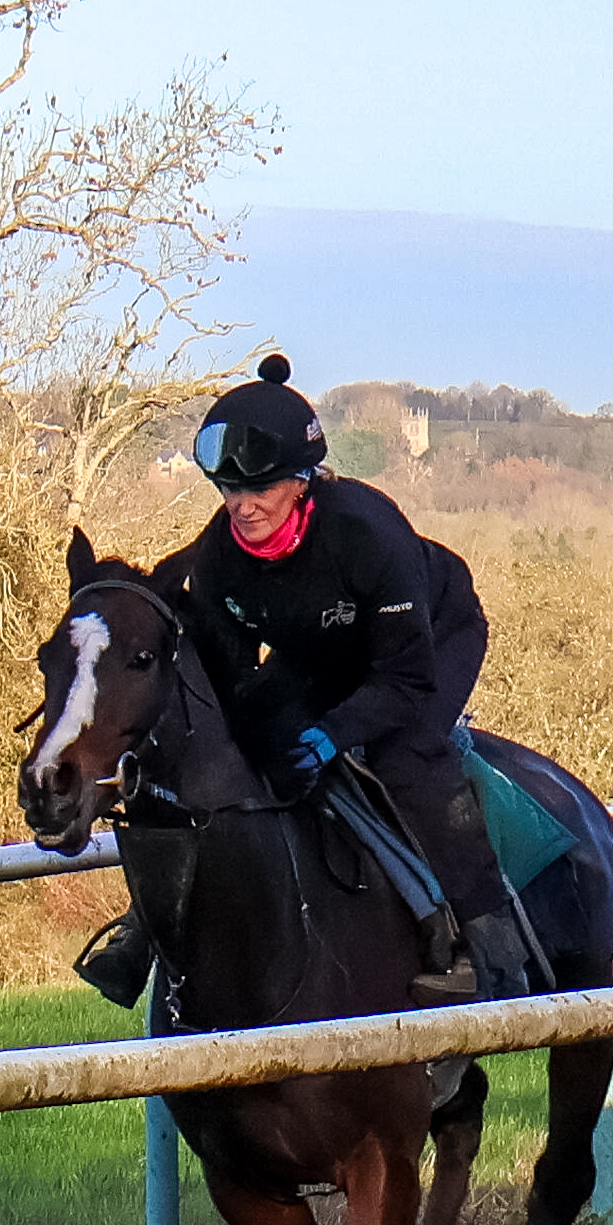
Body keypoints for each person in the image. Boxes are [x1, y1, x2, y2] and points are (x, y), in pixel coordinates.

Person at [70, 356, 547, 1008]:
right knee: (238, 741)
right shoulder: (220, 555)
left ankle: (491, 944)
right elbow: (225, 683)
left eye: (260, 489)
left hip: (428, 640)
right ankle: (147, 928)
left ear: (300, 482)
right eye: (228, 490)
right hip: (321, 652)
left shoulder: (365, 532)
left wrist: (331, 734)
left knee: (404, 754)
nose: (242, 507)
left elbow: (402, 680)